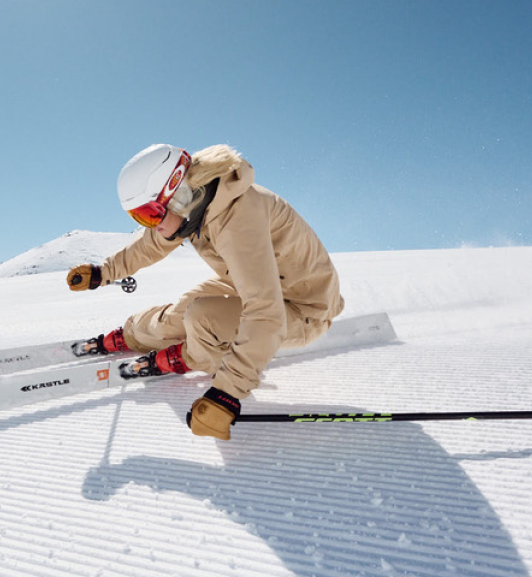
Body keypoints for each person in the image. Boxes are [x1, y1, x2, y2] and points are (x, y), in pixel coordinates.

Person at [66, 144, 343, 440]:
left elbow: (265, 311)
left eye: (149, 215)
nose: (151, 226)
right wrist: (103, 273)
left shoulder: (238, 218)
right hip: (251, 283)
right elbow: (151, 246)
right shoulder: (199, 204)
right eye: (140, 218)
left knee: (202, 319)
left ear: (179, 194)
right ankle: (132, 334)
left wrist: (226, 395)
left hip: (302, 309)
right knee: (183, 312)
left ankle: (190, 357)